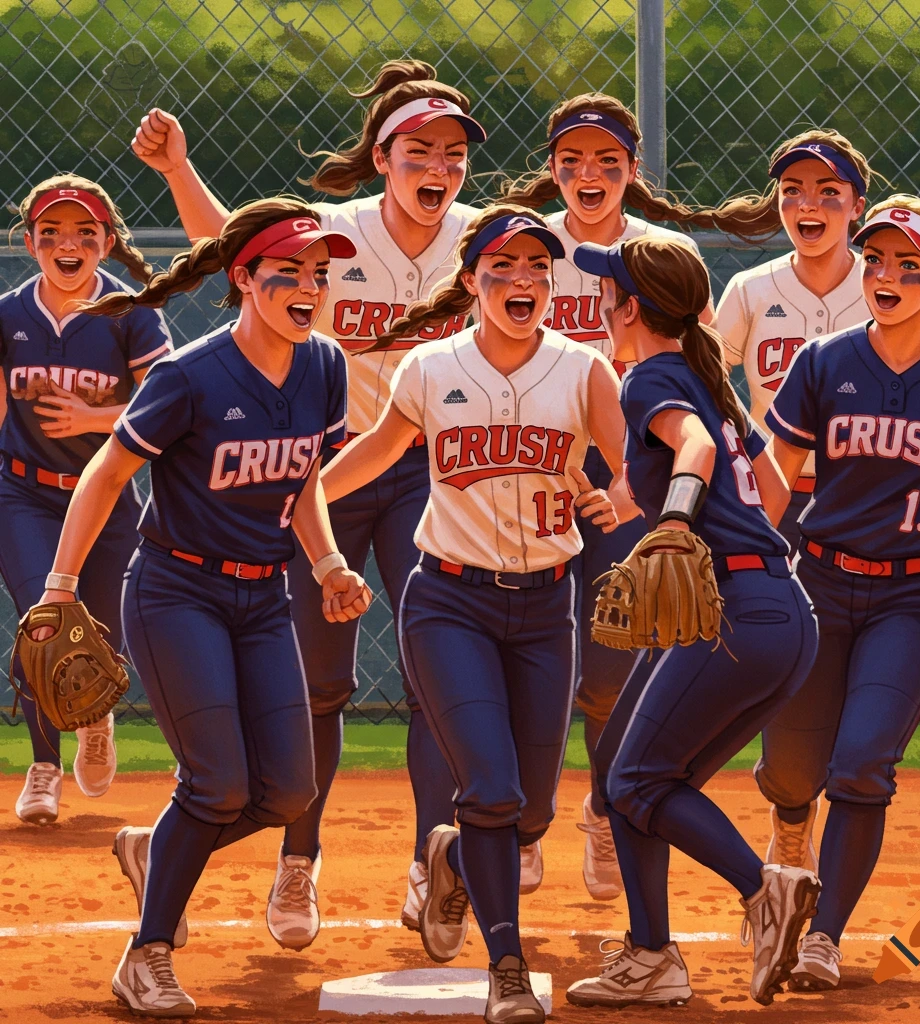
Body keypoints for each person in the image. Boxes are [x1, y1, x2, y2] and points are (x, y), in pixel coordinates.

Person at [130, 59, 487, 939]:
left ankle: (428, 865)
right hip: (323, 478)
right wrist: (179, 170)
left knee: (436, 673)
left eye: (453, 152)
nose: (437, 166)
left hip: (430, 475)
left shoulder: (481, 239)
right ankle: (298, 865)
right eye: (419, 150)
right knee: (320, 684)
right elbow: (233, 245)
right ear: (382, 156)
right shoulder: (334, 231)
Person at [29, 199, 371, 1017]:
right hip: (176, 590)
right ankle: (145, 954)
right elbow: (106, 473)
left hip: (262, 594)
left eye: (319, 275)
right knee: (217, 785)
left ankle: (158, 848)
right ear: (244, 278)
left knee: (290, 790)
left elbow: (305, 481)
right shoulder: (190, 374)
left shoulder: (324, 365)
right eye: (288, 272)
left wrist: (325, 562)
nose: (308, 287)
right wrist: (60, 588)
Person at [319, 206, 635, 1024]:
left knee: (531, 811)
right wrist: (308, 499)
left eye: (538, 266)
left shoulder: (583, 370)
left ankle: (455, 855)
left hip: (544, 606)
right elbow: (382, 444)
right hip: (448, 599)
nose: (522, 279)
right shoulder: (429, 366)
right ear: (472, 283)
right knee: (491, 787)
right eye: (503, 267)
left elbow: (636, 462)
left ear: (553, 283)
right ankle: (505, 965)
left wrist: (621, 502)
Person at [501, 92, 777, 899]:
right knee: (533, 661)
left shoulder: (662, 252)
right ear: (550, 169)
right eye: (572, 158)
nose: (589, 173)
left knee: (613, 667)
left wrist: (644, 491)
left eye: (607, 159)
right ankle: (520, 823)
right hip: (535, 469)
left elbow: (697, 389)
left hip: (639, 478)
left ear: (631, 168)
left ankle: (601, 806)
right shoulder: (525, 245)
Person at [761, 195, 920, 992]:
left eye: (910, 265)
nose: (887, 275)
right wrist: (746, 560)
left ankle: (824, 938)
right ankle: (791, 827)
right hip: (819, 584)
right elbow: (778, 475)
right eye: (876, 260)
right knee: (792, 773)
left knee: (864, 765)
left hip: (911, 602)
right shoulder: (824, 362)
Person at [562, 234, 819, 1008]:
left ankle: (764, 889)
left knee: (637, 778)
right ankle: (651, 956)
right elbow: (752, 476)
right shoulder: (707, 377)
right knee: (627, 778)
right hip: (770, 609)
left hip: (737, 616)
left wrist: (674, 525)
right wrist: (627, 501)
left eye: (611, 294)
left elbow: (696, 448)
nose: (603, 304)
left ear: (632, 308)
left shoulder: (651, 378)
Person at [714, 129, 876, 869]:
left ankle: (838, 813)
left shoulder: (885, 284)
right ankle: (789, 810)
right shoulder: (752, 290)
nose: (807, 204)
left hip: (868, 510)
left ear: (856, 207)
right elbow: (708, 384)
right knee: (792, 716)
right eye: (792, 191)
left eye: (827, 192)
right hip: (780, 506)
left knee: (862, 705)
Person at [0, 175, 171, 824]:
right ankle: (43, 764)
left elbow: (167, 407)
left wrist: (95, 418)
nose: (66, 244)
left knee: (100, 629)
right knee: (41, 623)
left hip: (105, 498)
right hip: (22, 494)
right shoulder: (10, 314)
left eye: (83, 233)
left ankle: (95, 720)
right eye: (51, 233)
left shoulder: (132, 311)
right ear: (29, 242)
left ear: (105, 243)